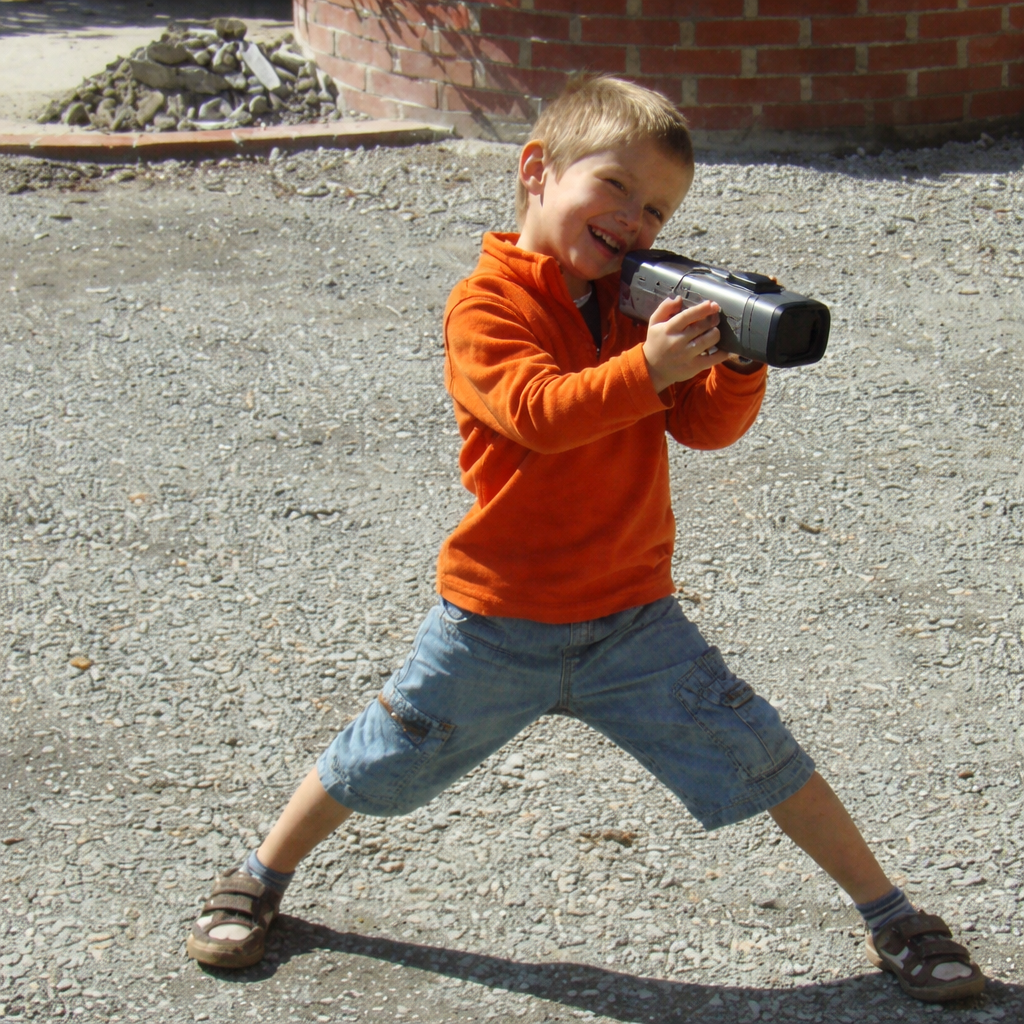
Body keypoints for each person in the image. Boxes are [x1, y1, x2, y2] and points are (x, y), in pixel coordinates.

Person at [187, 75, 984, 1004]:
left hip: (633, 620)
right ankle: (259, 875)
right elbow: (537, 414)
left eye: (657, 208)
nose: (636, 220)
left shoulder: (632, 303)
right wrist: (646, 366)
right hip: (497, 622)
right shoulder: (487, 303)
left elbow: (702, 431)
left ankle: (892, 916)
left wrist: (732, 367)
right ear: (537, 171)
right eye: (616, 187)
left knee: (764, 753)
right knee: (384, 751)